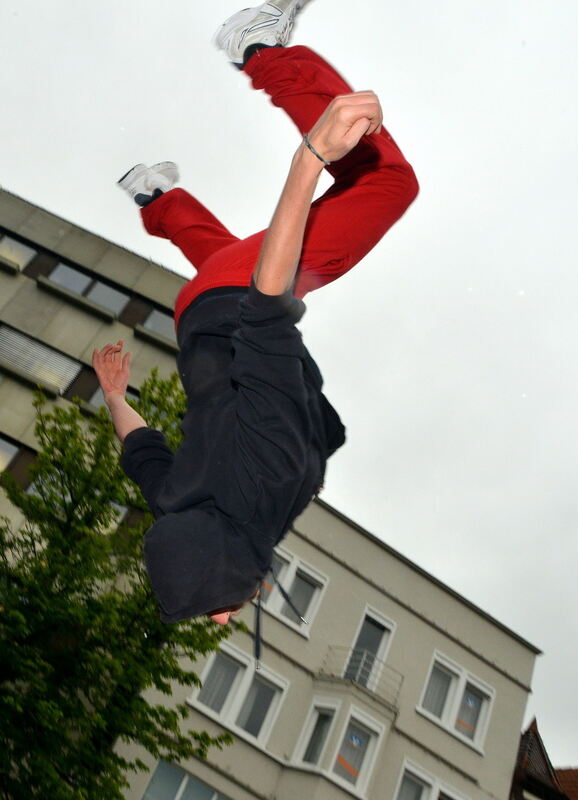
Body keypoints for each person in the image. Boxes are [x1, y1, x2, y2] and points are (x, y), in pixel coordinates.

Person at [92, 0, 418, 634]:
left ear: (229, 571)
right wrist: (112, 396)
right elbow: (141, 449)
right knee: (228, 256)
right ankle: (155, 197)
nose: (225, 617)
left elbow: (268, 314)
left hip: (243, 302)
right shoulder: (176, 506)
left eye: (224, 608)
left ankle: (261, 51)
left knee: (388, 183)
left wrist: (311, 159)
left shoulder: (263, 479)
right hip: (198, 318)